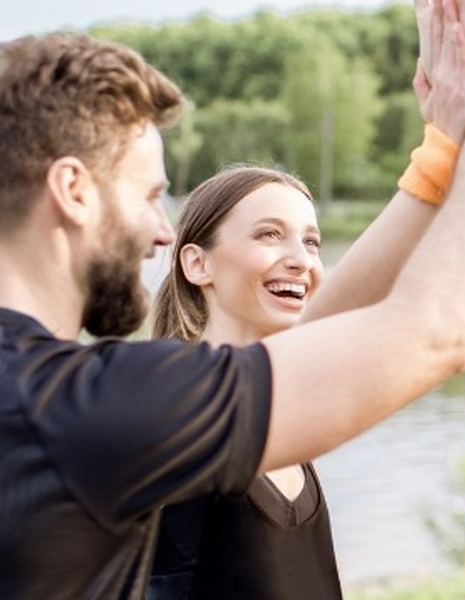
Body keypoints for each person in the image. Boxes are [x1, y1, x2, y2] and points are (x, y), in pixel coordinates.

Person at [0, 0, 465, 595]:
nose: (162, 229)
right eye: (148, 194)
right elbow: (436, 334)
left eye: (311, 242)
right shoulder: (75, 406)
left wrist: (443, 150)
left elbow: (324, 331)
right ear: (73, 191)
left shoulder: (46, 396)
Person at [144, 167, 339, 600]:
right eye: (269, 235)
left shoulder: (282, 418)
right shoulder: (175, 411)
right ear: (197, 263)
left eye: (311, 242)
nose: (301, 260)